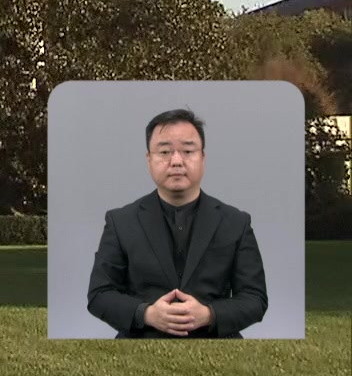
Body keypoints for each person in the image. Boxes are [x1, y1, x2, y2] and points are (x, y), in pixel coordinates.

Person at [86, 108, 268, 338]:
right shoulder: (121, 222)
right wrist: (147, 314)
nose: (176, 161)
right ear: (148, 159)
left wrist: (208, 314)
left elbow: (255, 298)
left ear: (203, 157)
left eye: (187, 151)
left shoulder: (235, 222)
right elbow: (99, 294)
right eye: (164, 152)